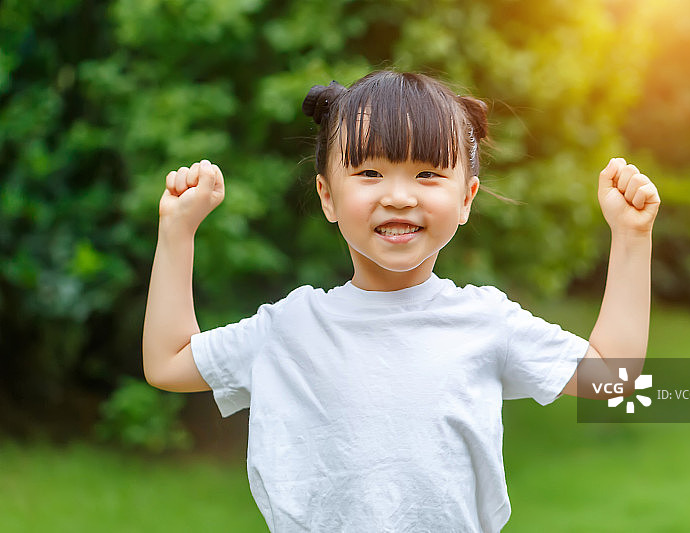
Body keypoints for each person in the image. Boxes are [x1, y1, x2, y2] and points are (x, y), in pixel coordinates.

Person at [142, 70, 660, 532]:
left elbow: (610, 376)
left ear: (465, 199)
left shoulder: (485, 322)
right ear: (327, 196)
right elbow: (168, 363)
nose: (399, 195)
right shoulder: (290, 329)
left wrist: (632, 238)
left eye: (427, 173)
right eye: (370, 173)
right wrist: (177, 231)